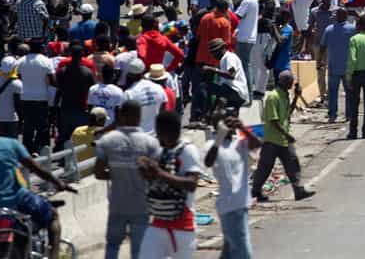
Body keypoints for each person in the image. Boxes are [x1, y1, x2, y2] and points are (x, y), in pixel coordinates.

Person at [0, 112, 74, 259]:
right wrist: (58, 183)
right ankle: (54, 255)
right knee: (52, 214)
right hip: (23, 200)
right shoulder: (10, 143)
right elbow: (36, 168)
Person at [94, 99, 162, 259]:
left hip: (117, 205)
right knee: (138, 250)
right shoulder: (150, 142)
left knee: (112, 245)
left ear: (121, 116)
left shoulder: (107, 141)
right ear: (139, 116)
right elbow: (157, 173)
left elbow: (98, 172)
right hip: (141, 206)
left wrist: (117, 173)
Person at [137, 110, 202, 259]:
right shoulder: (161, 152)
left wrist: (159, 172)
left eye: (158, 130)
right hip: (159, 221)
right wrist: (144, 170)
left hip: (182, 224)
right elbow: (154, 182)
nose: (156, 135)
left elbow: (192, 183)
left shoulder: (187, 150)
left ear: (166, 130)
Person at [251, 71, 314, 202]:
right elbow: (273, 120)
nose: (292, 85)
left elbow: (287, 114)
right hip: (273, 139)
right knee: (265, 168)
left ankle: (298, 189)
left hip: (284, 139)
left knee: (293, 163)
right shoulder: (273, 97)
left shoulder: (285, 95)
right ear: (283, 82)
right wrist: (287, 135)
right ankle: (255, 191)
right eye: (290, 82)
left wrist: (297, 97)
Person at [204, 117, 262, 259]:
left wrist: (242, 128)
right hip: (229, 206)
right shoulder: (212, 144)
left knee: (230, 251)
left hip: (242, 202)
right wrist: (219, 138)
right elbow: (208, 161)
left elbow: (257, 144)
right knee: (243, 253)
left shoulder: (239, 142)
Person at [320, 8, 356, 123]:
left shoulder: (329, 29)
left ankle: (332, 115)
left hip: (333, 66)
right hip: (348, 67)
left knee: (332, 92)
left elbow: (322, 47)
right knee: (349, 92)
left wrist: (320, 61)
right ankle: (349, 115)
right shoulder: (352, 28)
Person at [203, 38, 249, 116]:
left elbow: (231, 75)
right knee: (220, 92)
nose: (213, 55)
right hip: (231, 91)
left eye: (214, 52)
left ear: (222, 48)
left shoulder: (229, 57)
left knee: (205, 86)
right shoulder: (223, 59)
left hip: (237, 91)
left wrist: (213, 69)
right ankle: (210, 115)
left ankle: (202, 112)